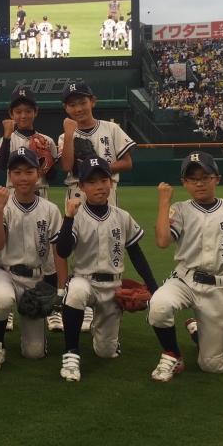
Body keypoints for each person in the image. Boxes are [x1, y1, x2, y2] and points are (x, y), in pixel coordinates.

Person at [149, 152, 223, 382]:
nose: (199, 183)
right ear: (184, 183)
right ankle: (173, 355)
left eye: (205, 177)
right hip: (185, 280)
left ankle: (200, 332)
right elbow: (162, 241)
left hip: (219, 288)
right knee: (159, 306)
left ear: (217, 179)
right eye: (192, 179)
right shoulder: (179, 209)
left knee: (212, 366)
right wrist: (164, 203)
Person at [56, 157, 158, 382]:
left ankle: (99, 328)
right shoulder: (77, 216)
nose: (99, 186)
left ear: (111, 182)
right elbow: (62, 251)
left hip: (113, 286)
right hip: (84, 280)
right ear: (81, 187)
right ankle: (71, 353)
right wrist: (69, 218)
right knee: (76, 291)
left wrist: (152, 285)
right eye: (91, 182)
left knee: (105, 352)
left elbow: (136, 253)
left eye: (103, 179)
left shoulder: (122, 216)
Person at [58, 81, 136, 331]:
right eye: (72, 104)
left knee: (108, 245)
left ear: (93, 101)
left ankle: (106, 302)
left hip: (106, 192)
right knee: (80, 248)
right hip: (77, 195)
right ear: (66, 108)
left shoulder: (111, 129)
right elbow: (66, 165)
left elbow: (127, 163)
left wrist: (97, 171)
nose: (78, 108)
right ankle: (84, 302)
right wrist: (69, 134)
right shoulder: (65, 135)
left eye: (82, 102)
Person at [0, 148, 66, 372]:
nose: (23, 177)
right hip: (5, 272)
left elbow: (58, 252)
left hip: (35, 280)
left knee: (34, 353)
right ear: (10, 175)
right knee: (0, 300)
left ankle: (27, 337)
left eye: (29, 171)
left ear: (38, 174)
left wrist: (60, 288)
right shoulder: (2, 206)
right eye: (17, 172)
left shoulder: (50, 209)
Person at [0, 89, 60, 329]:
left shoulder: (47, 141)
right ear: (11, 113)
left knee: (44, 253)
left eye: (28, 110)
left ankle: (49, 302)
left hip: (40, 196)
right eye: (18, 111)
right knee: (10, 248)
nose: (23, 115)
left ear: (35, 112)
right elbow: (1, 164)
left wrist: (46, 159)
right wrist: (8, 135)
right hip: (12, 198)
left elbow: (52, 175)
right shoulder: (7, 138)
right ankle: (7, 302)